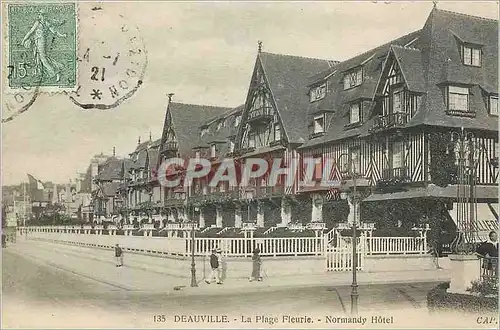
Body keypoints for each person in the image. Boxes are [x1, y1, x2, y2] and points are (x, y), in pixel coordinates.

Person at [21, 10, 67, 82]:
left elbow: (54, 32)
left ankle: (56, 72)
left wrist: (62, 35)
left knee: (43, 59)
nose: (40, 16)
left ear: (44, 15)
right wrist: (24, 40)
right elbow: (31, 31)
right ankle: (40, 74)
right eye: (39, 14)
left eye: (41, 15)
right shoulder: (38, 23)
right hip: (37, 41)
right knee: (39, 58)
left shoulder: (46, 23)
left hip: (41, 42)